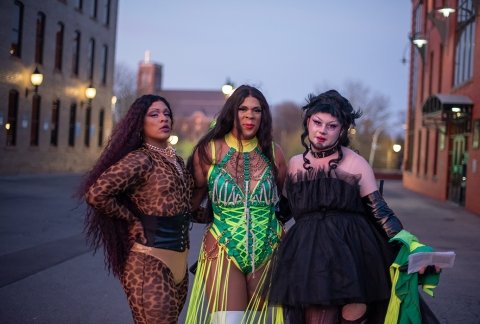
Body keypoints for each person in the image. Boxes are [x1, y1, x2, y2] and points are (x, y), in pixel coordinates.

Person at [266, 89, 437, 324]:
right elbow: (283, 211)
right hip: (308, 255)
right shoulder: (295, 164)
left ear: (343, 130)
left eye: (332, 125)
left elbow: (381, 212)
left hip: (350, 254)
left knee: (350, 316)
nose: (322, 130)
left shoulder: (356, 163)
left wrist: (413, 246)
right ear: (308, 122)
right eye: (317, 122)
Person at [78, 94, 193, 324]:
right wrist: (130, 219)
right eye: (154, 114)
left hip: (180, 262)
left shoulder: (177, 161)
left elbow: (185, 207)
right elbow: (96, 193)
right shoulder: (140, 159)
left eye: (167, 114)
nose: (163, 119)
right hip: (148, 262)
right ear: (140, 122)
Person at [185, 85, 288, 323]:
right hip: (222, 248)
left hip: (268, 250)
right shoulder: (209, 151)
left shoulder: (274, 153)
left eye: (256, 110)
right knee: (229, 320)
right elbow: (189, 204)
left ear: (264, 115)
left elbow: (282, 202)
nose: (249, 115)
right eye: (243, 109)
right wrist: (212, 219)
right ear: (232, 112)